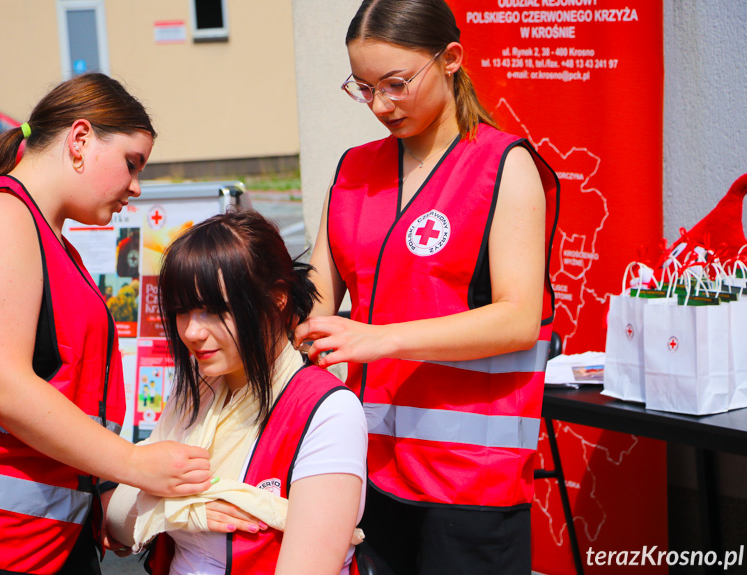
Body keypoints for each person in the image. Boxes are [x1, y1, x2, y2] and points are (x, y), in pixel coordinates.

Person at [0, 73, 214, 575]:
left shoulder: (46, 239)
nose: (136, 185)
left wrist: (100, 489)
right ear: (80, 139)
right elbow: (3, 384)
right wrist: (132, 465)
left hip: (24, 544)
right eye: (131, 162)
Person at [293, 1, 560, 574]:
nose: (380, 105)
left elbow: (518, 318)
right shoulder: (353, 171)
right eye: (363, 88)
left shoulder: (502, 165)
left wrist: (377, 339)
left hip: (470, 481)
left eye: (396, 84)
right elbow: (314, 302)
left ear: (451, 61)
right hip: (367, 464)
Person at [103, 210, 367, 575]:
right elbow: (116, 521)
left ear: (276, 297)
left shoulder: (327, 411)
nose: (192, 332)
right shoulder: (198, 386)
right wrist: (184, 510)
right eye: (181, 310)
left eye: (213, 310)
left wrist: (161, 501)